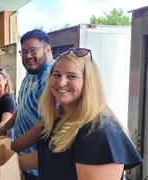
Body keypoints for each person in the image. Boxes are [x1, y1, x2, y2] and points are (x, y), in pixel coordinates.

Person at [18, 48, 143, 179]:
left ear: (88, 82)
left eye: (71, 76)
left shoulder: (100, 131)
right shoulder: (58, 116)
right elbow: (51, 158)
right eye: (56, 75)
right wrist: (7, 161)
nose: (61, 82)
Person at [0, 29, 54, 180]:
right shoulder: (30, 75)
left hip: (37, 164)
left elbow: (45, 125)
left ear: (48, 49)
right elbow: (22, 108)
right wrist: (5, 127)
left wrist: (12, 148)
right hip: (22, 158)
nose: (28, 56)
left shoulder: (51, 78)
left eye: (33, 50)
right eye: (23, 52)